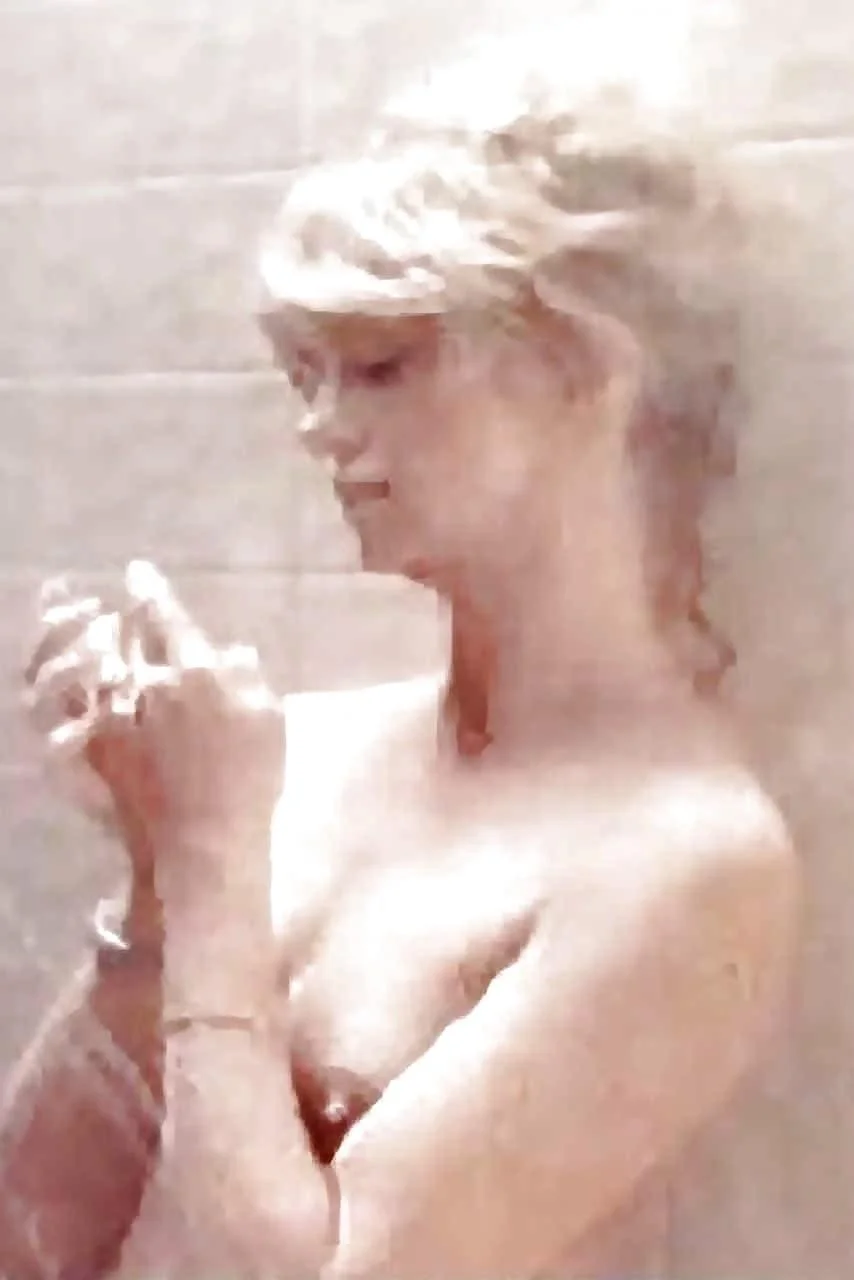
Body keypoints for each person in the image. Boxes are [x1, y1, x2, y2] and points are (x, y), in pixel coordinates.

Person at [0, 20, 801, 1280]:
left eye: (381, 365)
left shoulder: (684, 860)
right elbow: (29, 1234)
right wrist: (156, 890)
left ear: (590, 370)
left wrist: (208, 864)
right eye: (305, 375)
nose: (318, 428)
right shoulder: (291, 755)